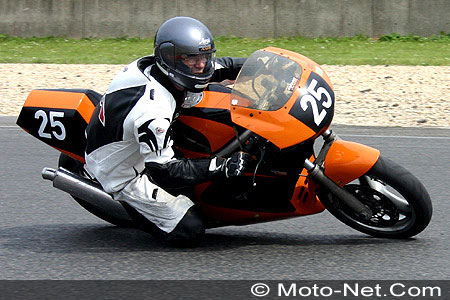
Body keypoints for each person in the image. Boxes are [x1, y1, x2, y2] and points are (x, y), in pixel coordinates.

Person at [84, 16, 250, 245]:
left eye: (204, 55)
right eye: (192, 58)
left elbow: (224, 67)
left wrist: (262, 66)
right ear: (172, 59)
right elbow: (163, 171)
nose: (201, 64)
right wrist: (220, 165)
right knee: (190, 229)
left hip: (136, 130)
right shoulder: (154, 110)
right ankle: (129, 201)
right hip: (124, 170)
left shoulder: (160, 68)